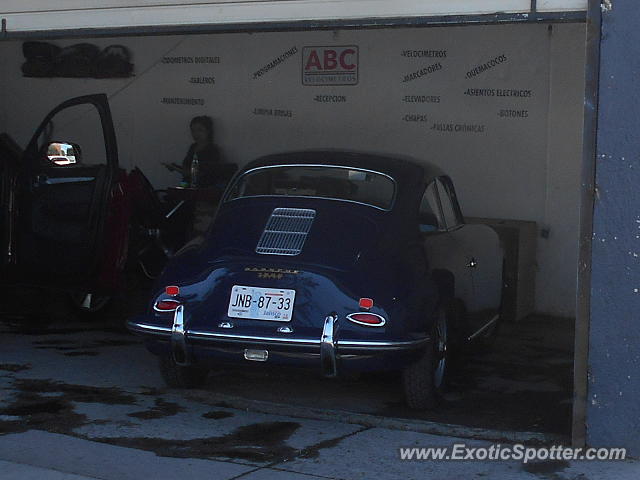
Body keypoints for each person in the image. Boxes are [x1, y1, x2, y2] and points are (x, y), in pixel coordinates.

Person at [164, 115, 221, 187]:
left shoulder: (212, 150)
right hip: (186, 185)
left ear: (208, 131)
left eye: (200, 130)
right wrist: (175, 167)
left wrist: (178, 169)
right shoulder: (193, 147)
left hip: (201, 188)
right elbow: (188, 168)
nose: (196, 134)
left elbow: (202, 173)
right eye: (193, 130)